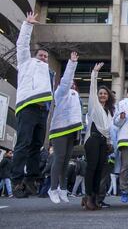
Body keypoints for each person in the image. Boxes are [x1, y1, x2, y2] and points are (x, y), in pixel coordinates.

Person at [12, 12, 54, 198]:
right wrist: (27, 25)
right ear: (35, 56)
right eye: (41, 55)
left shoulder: (48, 72)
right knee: (23, 144)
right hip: (27, 107)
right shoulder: (26, 63)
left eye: (46, 56)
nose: (44, 58)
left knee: (36, 146)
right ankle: (17, 181)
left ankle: (31, 180)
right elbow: (21, 45)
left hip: (42, 111)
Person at [47, 52, 82, 203]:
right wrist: (72, 64)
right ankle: (52, 188)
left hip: (72, 130)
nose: (70, 82)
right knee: (59, 158)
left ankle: (62, 189)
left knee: (66, 161)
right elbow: (66, 80)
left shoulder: (75, 94)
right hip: (60, 129)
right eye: (68, 81)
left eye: (73, 82)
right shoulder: (60, 92)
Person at [82, 63, 114, 210]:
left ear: (108, 97)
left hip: (103, 142)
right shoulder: (94, 105)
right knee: (92, 168)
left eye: (105, 94)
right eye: (100, 93)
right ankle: (88, 197)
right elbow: (92, 89)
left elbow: (109, 130)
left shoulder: (109, 112)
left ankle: (93, 197)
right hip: (93, 139)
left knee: (100, 170)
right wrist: (94, 73)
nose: (102, 95)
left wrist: (109, 142)